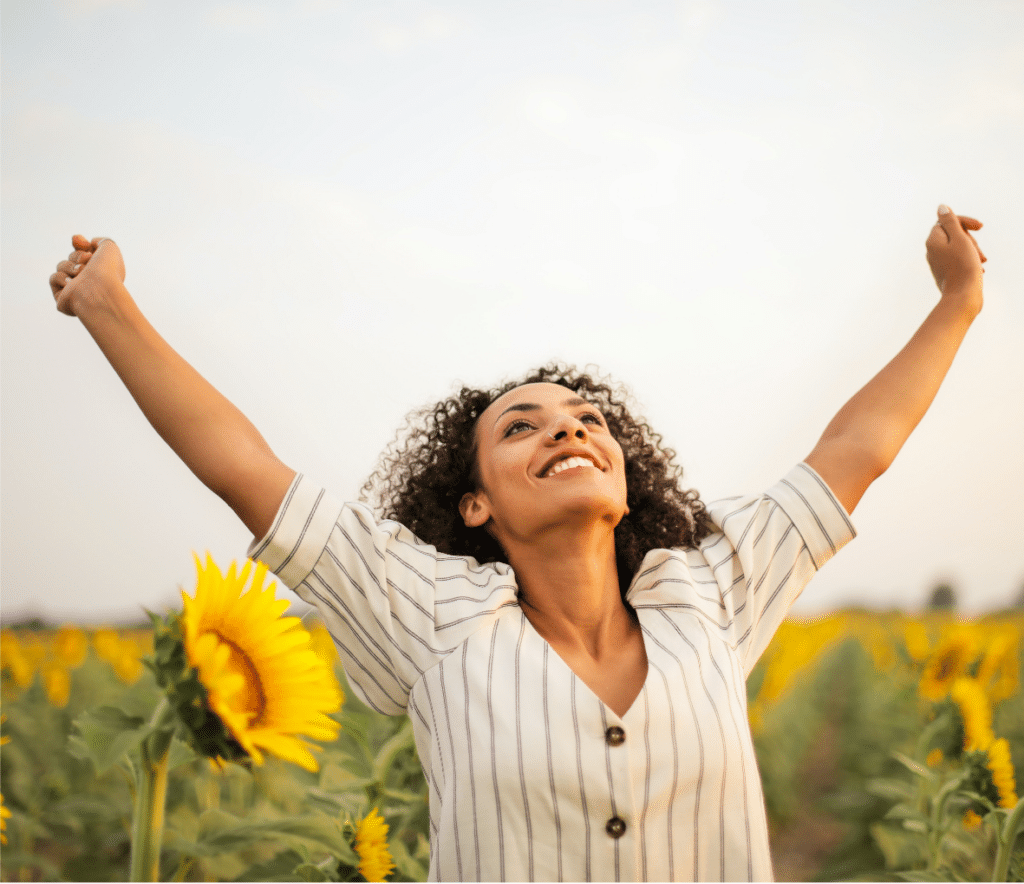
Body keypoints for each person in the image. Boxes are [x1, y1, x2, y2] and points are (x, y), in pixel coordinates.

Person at [47, 206, 986, 882]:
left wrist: (957, 303)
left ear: (626, 477)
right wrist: (108, 306)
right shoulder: (431, 619)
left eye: (587, 421)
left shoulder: (708, 590)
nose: (568, 432)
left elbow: (855, 453)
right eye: (521, 428)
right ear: (472, 507)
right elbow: (245, 471)